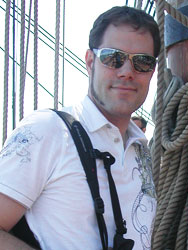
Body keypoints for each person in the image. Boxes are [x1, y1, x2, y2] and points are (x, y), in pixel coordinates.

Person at [0, 6, 161, 250]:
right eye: (113, 58)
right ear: (90, 61)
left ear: (152, 71)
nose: (127, 72)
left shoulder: (140, 149)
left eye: (142, 62)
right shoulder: (48, 131)